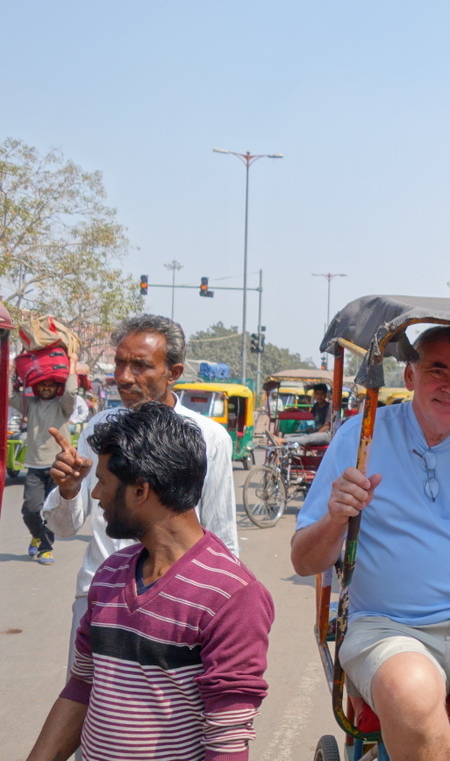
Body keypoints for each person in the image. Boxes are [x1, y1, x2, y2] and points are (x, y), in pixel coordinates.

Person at [291, 326, 450, 761]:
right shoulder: (360, 436)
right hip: (387, 626)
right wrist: (335, 517)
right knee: (413, 692)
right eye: (437, 370)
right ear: (409, 377)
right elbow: (304, 561)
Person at [26, 402, 273, 761]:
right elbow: (82, 685)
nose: (95, 495)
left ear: (140, 491)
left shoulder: (233, 596)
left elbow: (227, 741)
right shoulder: (110, 574)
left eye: (103, 483)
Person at [43, 314, 238, 668]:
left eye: (140, 366)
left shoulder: (209, 437)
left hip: (179, 605)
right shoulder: (99, 428)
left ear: (173, 372)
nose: (123, 376)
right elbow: (63, 527)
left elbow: (221, 533)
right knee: (85, 694)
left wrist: (228, 609)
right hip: (98, 595)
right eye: (120, 363)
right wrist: (69, 490)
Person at [15, 353, 77, 564]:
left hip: (58, 467)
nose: (47, 388)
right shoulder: (29, 404)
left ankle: (46, 548)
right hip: (34, 466)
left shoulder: (63, 406)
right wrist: (11, 370)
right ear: (37, 387)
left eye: (51, 385)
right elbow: (7, 395)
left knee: (50, 511)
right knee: (30, 510)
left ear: (56, 388)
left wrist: (73, 363)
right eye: (43, 385)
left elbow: (71, 391)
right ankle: (37, 536)